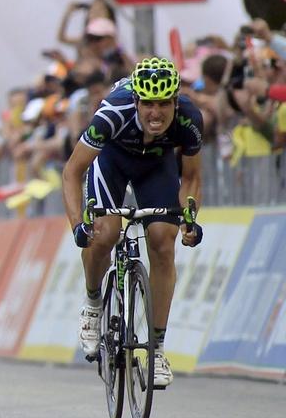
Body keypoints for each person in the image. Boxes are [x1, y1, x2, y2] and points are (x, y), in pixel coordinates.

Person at [61, 58, 203, 388]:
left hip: (157, 167)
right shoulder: (112, 113)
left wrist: (190, 219)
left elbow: (193, 177)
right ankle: (94, 303)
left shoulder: (189, 118)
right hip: (111, 163)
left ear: (175, 100)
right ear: (136, 100)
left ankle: (156, 349)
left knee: (163, 242)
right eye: (149, 104)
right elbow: (71, 172)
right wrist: (77, 226)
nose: (156, 113)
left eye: (164, 104)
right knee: (104, 233)